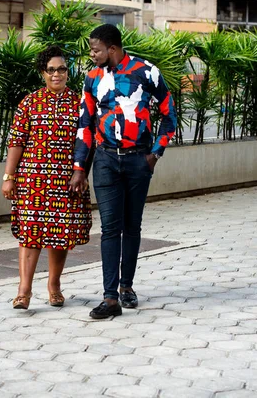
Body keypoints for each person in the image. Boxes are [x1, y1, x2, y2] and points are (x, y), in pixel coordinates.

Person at [70, 24, 177, 319]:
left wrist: (155, 155)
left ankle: (127, 287)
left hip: (137, 161)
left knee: (132, 227)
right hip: (105, 161)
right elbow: (85, 125)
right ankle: (110, 297)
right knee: (109, 229)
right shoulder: (92, 79)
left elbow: (170, 114)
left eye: (96, 50)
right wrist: (80, 168)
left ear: (112, 49)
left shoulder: (146, 72)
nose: (92, 55)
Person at [2, 45, 92, 310]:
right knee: (30, 233)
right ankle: (23, 291)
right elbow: (16, 141)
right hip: (32, 180)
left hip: (67, 180)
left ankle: (54, 286)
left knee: (60, 234)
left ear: (67, 71)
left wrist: (81, 171)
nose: (57, 74)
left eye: (61, 69)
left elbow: (87, 142)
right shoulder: (29, 103)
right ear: (43, 72)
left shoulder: (80, 103)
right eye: (51, 70)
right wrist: (9, 176)